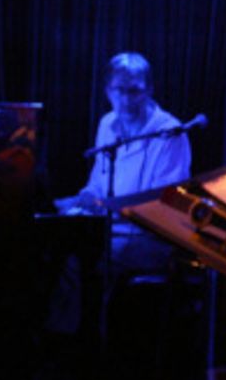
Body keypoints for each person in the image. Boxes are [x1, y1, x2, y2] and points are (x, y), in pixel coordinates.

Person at [57, 51, 193, 272]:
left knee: (83, 260)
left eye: (135, 91)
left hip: (150, 241)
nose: (127, 100)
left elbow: (167, 203)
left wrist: (107, 208)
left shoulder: (170, 133)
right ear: (107, 91)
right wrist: (84, 198)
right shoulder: (106, 124)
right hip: (108, 231)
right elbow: (98, 183)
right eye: (119, 90)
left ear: (149, 90)